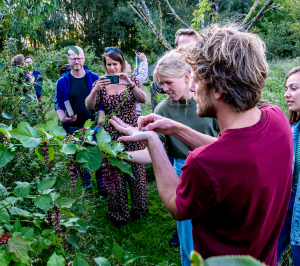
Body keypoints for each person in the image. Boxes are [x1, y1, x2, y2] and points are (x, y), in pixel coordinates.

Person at [110, 25, 293, 266]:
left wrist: (153, 141)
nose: (193, 86)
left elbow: (178, 207)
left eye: (196, 77)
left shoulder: (203, 164)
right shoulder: (277, 118)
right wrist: (174, 128)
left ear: (217, 89)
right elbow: (229, 152)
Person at [125, 49, 218, 266]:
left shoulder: (209, 102)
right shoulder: (162, 109)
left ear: (187, 77)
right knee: (188, 238)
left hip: (213, 172)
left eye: (168, 82)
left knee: (214, 231)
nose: (164, 88)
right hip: (181, 173)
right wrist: (119, 153)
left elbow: (224, 141)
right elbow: (153, 154)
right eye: (161, 83)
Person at [85, 46, 147, 227]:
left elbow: (143, 99)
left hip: (132, 131)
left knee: (136, 170)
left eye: (115, 63)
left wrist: (130, 83)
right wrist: (95, 90)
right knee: (114, 174)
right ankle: (119, 213)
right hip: (110, 135)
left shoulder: (131, 79)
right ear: (105, 65)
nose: (112, 68)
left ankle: (139, 209)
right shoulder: (100, 83)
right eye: (108, 64)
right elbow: (90, 106)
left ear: (121, 63)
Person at [54, 46, 104, 191]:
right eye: (73, 58)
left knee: (97, 156)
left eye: (79, 58)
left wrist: (99, 123)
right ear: (68, 60)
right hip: (74, 128)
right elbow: (58, 103)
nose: (77, 61)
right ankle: (86, 187)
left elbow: (100, 103)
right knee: (80, 159)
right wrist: (62, 118)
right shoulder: (62, 81)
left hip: (92, 126)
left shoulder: (93, 78)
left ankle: (101, 185)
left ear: (84, 59)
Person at [277, 66, 300, 265]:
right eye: (286, 88)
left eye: (294, 88)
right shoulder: (293, 129)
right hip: (289, 202)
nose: (286, 94)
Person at [125, 52, 148, 117]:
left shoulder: (126, 80)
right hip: (134, 113)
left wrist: (137, 62)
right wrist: (145, 61)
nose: (129, 65)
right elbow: (143, 76)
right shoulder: (129, 80)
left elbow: (134, 75)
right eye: (127, 64)